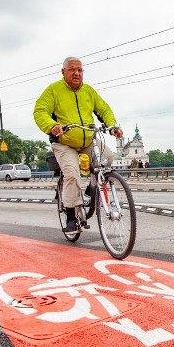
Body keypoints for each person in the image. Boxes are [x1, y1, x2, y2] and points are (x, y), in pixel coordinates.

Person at [34, 56, 123, 232]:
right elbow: (40, 111)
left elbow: (104, 109)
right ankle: (71, 217)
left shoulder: (88, 91)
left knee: (107, 157)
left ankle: (92, 187)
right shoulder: (53, 90)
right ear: (63, 72)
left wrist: (112, 126)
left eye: (80, 70)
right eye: (72, 69)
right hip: (64, 142)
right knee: (72, 175)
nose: (76, 73)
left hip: (87, 139)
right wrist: (52, 126)